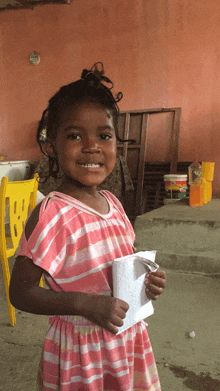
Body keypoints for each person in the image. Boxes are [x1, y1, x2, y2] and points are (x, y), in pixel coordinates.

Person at [9, 62, 166, 391]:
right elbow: (20, 292)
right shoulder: (54, 214)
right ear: (52, 146)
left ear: (115, 147)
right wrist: (85, 304)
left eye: (104, 135)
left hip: (126, 337)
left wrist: (145, 278)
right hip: (83, 352)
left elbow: (124, 256)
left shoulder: (114, 204)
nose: (92, 146)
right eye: (75, 135)